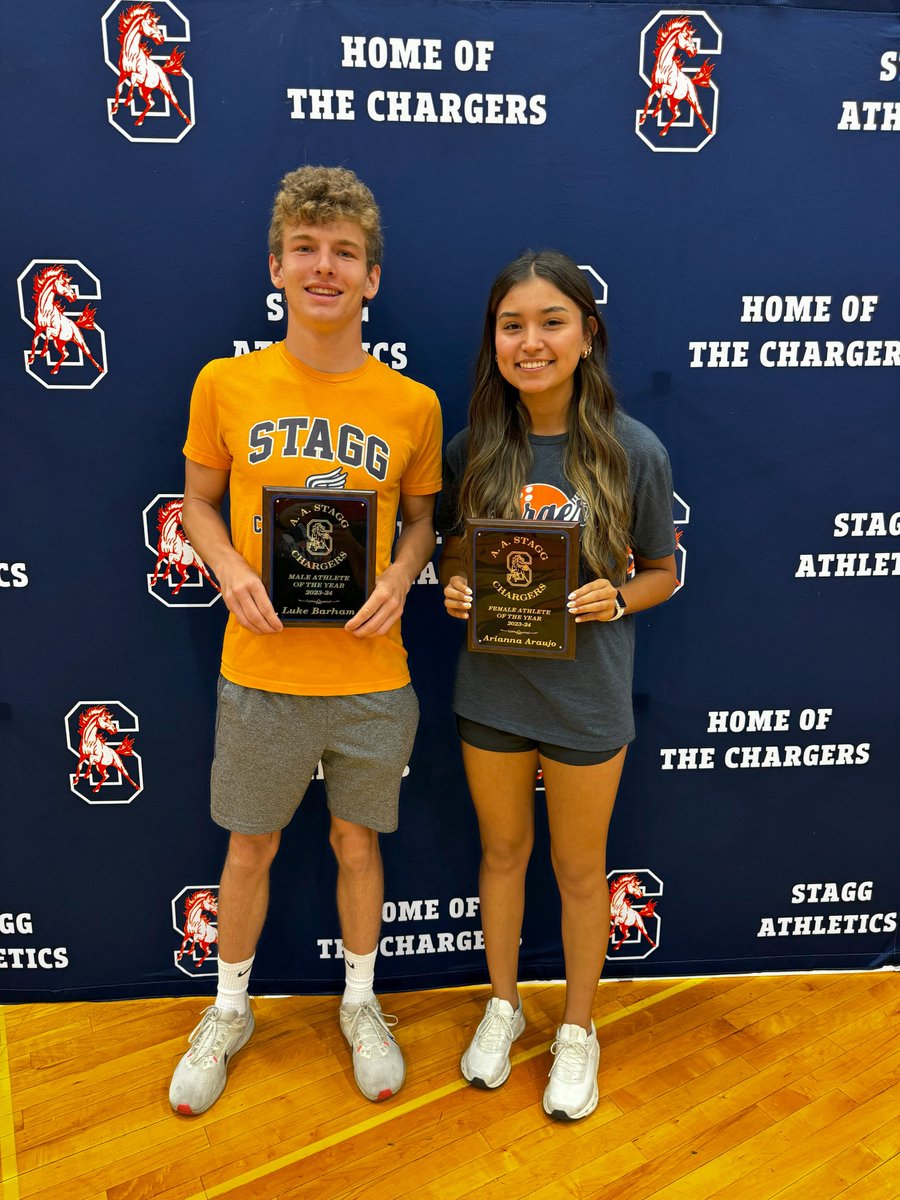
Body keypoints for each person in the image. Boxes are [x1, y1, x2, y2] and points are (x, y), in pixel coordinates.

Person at [169, 165, 442, 1116]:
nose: (325, 267)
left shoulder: (412, 404)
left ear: (372, 277)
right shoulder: (226, 383)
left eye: (346, 253)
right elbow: (198, 505)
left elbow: (418, 523)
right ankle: (230, 1009)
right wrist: (229, 570)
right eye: (307, 250)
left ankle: (362, 1004)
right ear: (277, 267)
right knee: (250, 848)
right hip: (262, 668)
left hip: (371, 672)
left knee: (357, 842)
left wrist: (405, 577)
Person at [437, 250, 677, 1121]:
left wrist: (618, 597)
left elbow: (665, 571)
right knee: (503, 854)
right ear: (494, 341)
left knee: (581, 870)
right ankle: (504, 1005)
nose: (530, 341)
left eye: (551, 322)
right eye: (513, 325)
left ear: (587, 335)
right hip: (492, 692)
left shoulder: (633, 450)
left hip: (588, 697)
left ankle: (578, 1029)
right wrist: (454, 585)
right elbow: (456, 557)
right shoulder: (473, 447)